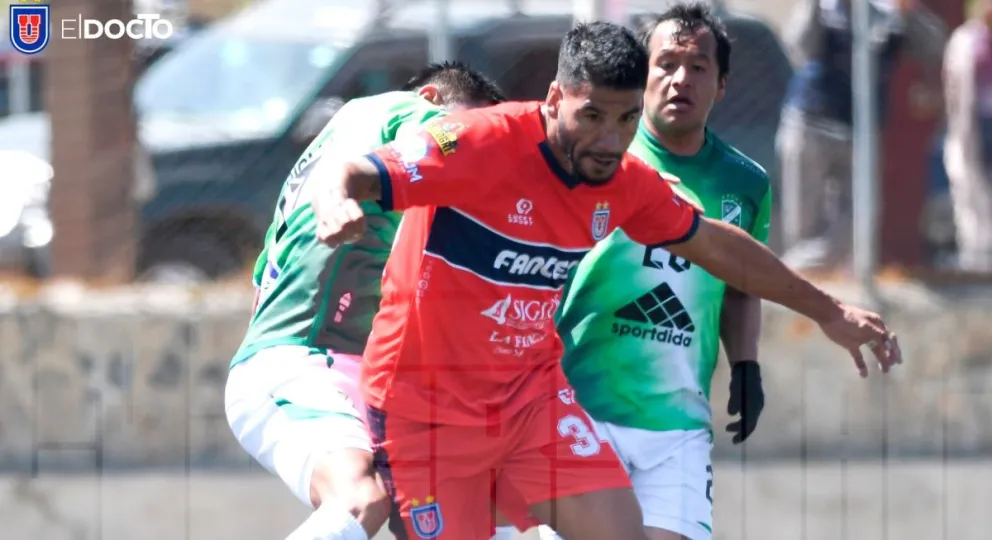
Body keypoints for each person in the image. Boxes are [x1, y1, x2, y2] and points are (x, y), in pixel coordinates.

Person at [310, 21, 902, 540]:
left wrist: (827, 310)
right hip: (425, 414)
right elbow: (356, 170)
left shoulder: (624, 182)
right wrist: (337, 203)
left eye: (624, 120)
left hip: (529, 405)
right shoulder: (480, 143)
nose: (608, 140)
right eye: (590, 116)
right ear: (552, 99)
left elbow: (720, 248)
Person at [224, 62, 506, 540]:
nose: (471, 147)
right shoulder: (401, 111)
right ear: (433, 97)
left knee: (469, 519)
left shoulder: (335, 170)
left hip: (363, 379)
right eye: (470, 126)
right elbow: (446, 142)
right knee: (359, 499)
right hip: (300, 363)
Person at [541, 5, 768, 540]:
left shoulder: (746, 183)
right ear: (642, 75)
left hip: (678, 424)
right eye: (666, 63)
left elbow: (744, 282)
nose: (680, 79)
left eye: (698, 67)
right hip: (581, 406)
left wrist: (747, 367)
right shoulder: (599, 155)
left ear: (723, 85)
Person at [776, 0, 945, 272]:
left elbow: (934, 46)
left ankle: (791, 272)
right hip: (811, 123)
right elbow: (798, 48)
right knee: (802, 224)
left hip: (860, 134)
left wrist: (909, 12)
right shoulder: (826, 8)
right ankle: (797, 286)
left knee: (859, 220)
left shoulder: (888, 14)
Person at [943, 0, 992, 272]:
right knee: (969, 190)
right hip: (973, 123)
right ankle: (976, 256)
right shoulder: (967, 40)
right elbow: (955, 85)